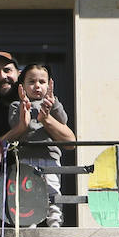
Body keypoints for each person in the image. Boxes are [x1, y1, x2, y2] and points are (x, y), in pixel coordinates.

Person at [9, 63, 75, 227]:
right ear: (22, 86)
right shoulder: (17, 105)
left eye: (42, 82)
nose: (37, 86)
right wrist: (24, 108)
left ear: (49, 85)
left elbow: (63, 121)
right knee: (27, 191)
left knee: (52, 189)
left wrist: (54, 104)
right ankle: (30, 223)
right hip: (26, 157)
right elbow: (16, 125)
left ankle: (55, 221)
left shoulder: (51, 103)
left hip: (49, 156)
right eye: (31, 82)